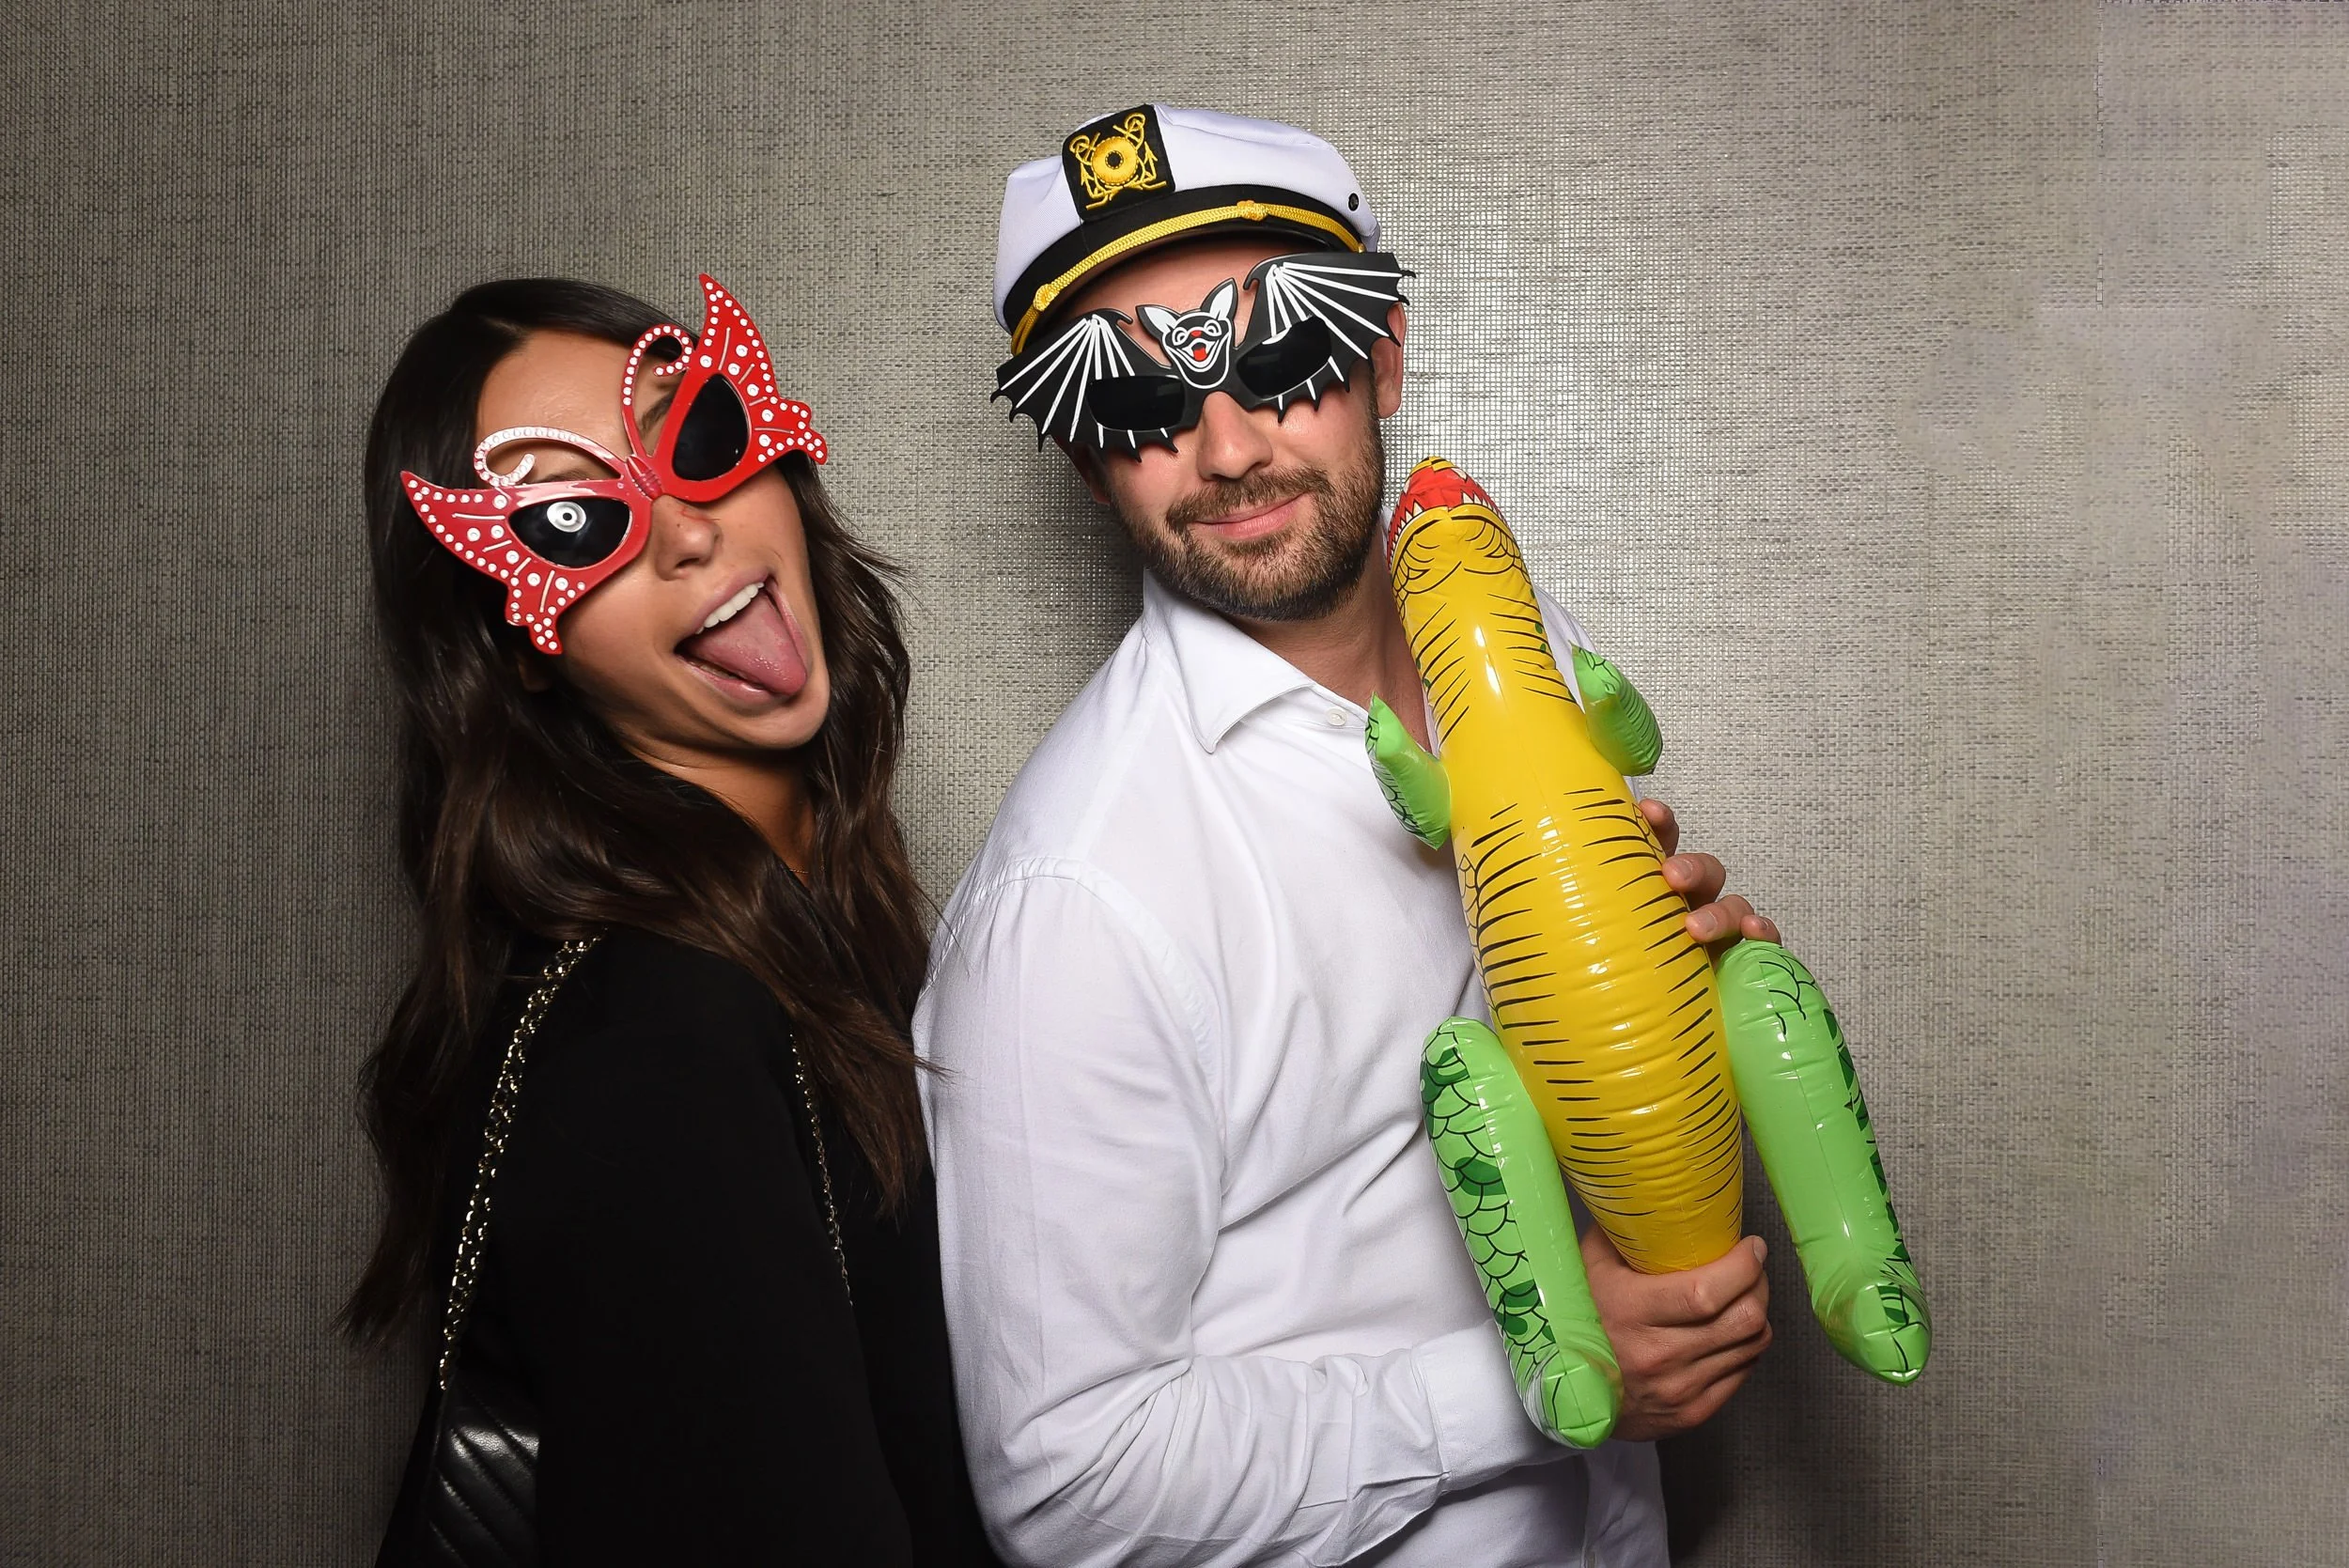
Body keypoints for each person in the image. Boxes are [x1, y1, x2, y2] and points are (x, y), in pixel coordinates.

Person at [916, 108, 1780, 1566]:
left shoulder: (1516, 644)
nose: (1227, 446)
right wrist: (1544, 1377)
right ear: (1085, 463)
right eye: (1133, 401)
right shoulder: (1071, 910)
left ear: (1379, 355)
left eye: (1281, 353)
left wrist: (1660, 988)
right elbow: (1062, 1485)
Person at [343, 274, 996, 1563]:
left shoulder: (817, 934)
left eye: (692, 437)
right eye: (576, 520)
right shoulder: (655, 1044)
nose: (681, 531)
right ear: (525, 640)